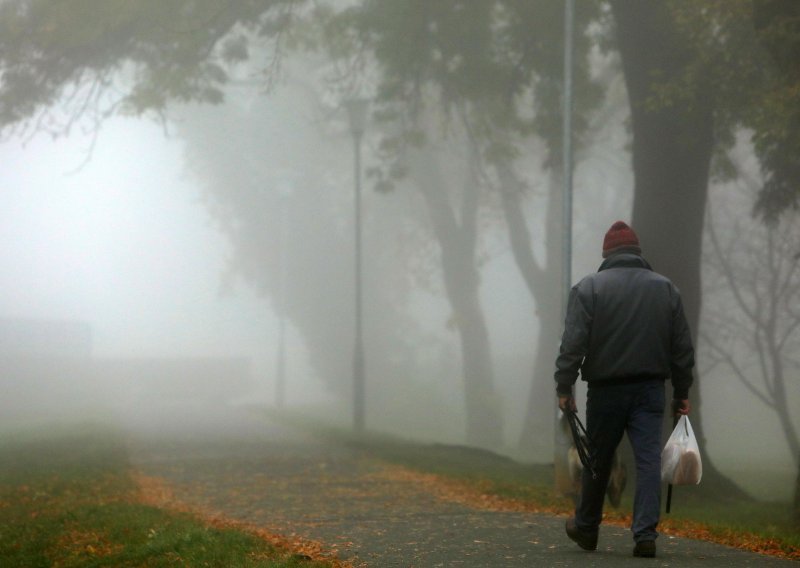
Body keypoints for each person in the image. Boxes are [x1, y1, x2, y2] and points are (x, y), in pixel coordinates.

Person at [554, 220, 694, 558]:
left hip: (605, 391)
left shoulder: (589, 288)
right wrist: (682, 392)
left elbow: (573, 343)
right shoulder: (666, 289)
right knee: (648, 461)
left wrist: (564, 384)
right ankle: (645, 535)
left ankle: (587, 528)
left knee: (598, 460)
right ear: (637, 253)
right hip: (649, 390)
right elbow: (681, 348)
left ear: (607, 254)